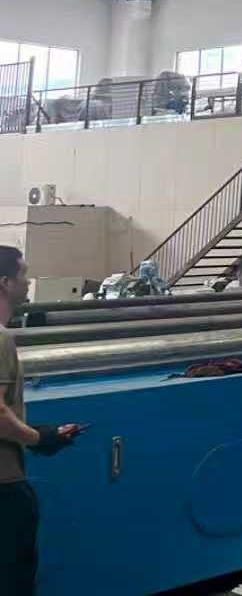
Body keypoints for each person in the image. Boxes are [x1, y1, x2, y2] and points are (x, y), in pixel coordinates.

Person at [0, 246, 80, 595]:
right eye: (23, 274)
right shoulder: (0, 338)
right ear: (5, 282)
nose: (28, 281)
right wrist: (40, 439)